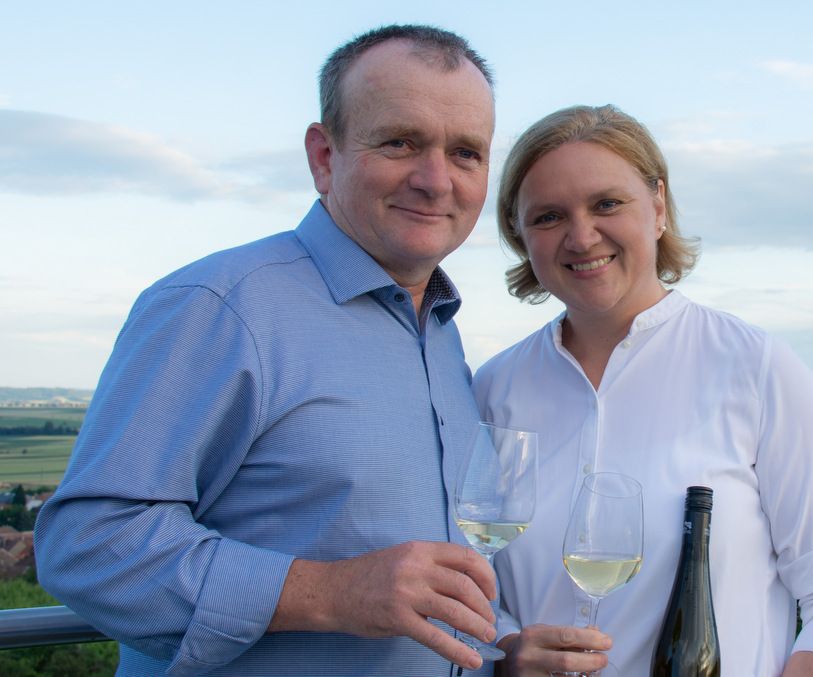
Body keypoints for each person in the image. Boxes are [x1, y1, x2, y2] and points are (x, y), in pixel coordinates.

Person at [34, 25, 501, 676]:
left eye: (466, 153)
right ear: (324, 156)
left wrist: (504, 649)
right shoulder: (219, 305)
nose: (435, 179)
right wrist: (330, 592)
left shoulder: (443, 337)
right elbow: (87, 547)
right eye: (400, 142)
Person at [472, 105, 813, 676]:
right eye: (548, 216)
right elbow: (472, 579)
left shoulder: (755, 368)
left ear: (658, 207)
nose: (581, 236)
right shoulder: (494, 387)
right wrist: (504, 649)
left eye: (607, 204)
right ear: (520, 235)